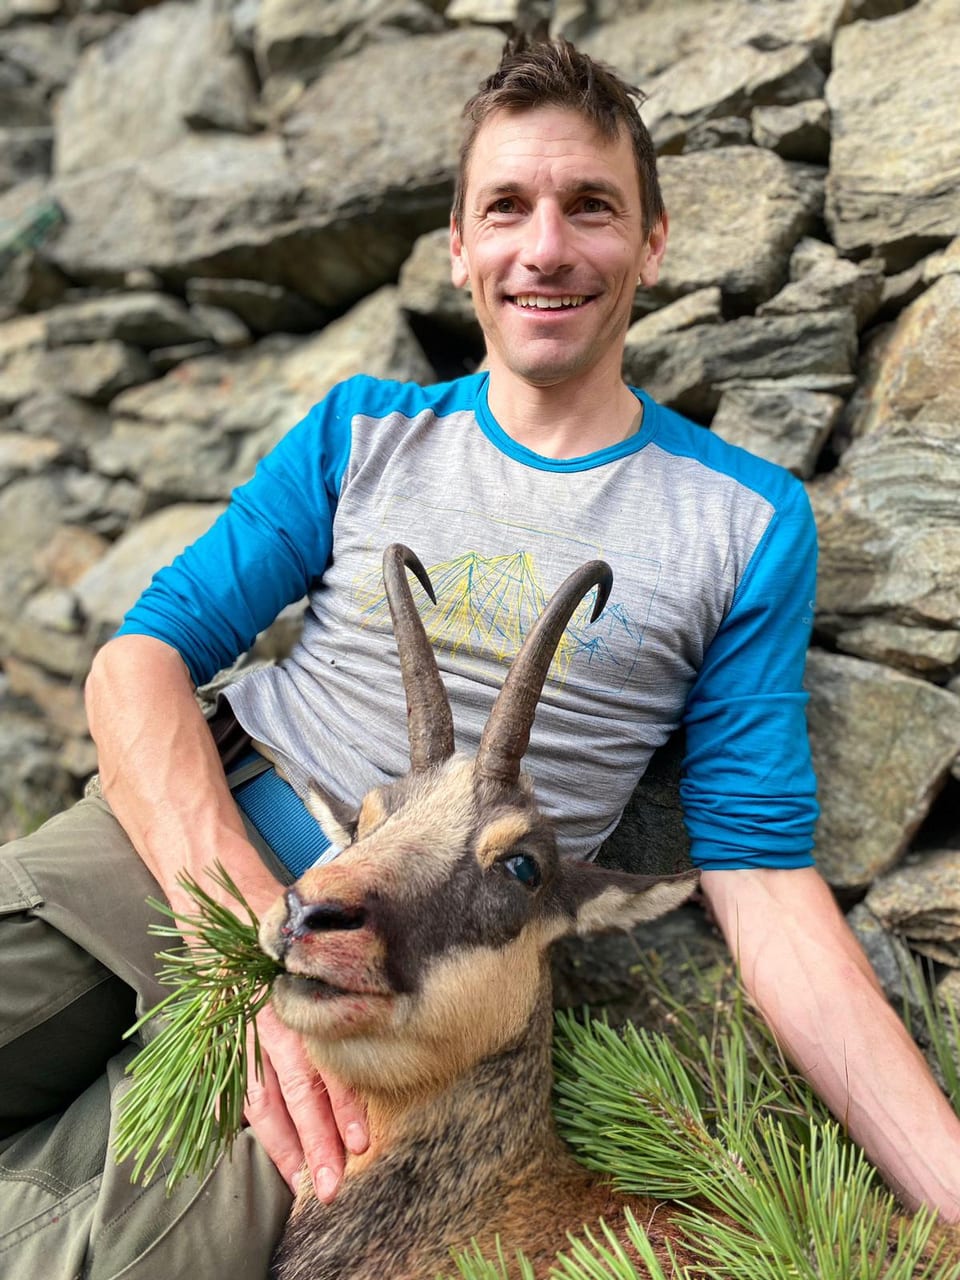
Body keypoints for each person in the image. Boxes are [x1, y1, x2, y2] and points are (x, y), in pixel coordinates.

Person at [2, 34, 959, 1280]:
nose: (545, 246)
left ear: (653, 242)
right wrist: (239, 927)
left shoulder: (744, 521)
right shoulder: (365, 427)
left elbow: (765, 890)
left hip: (402, 1004)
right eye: (506, 206)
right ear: (459, 244)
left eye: (591, 208)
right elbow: (140, 661)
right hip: (176, 848)